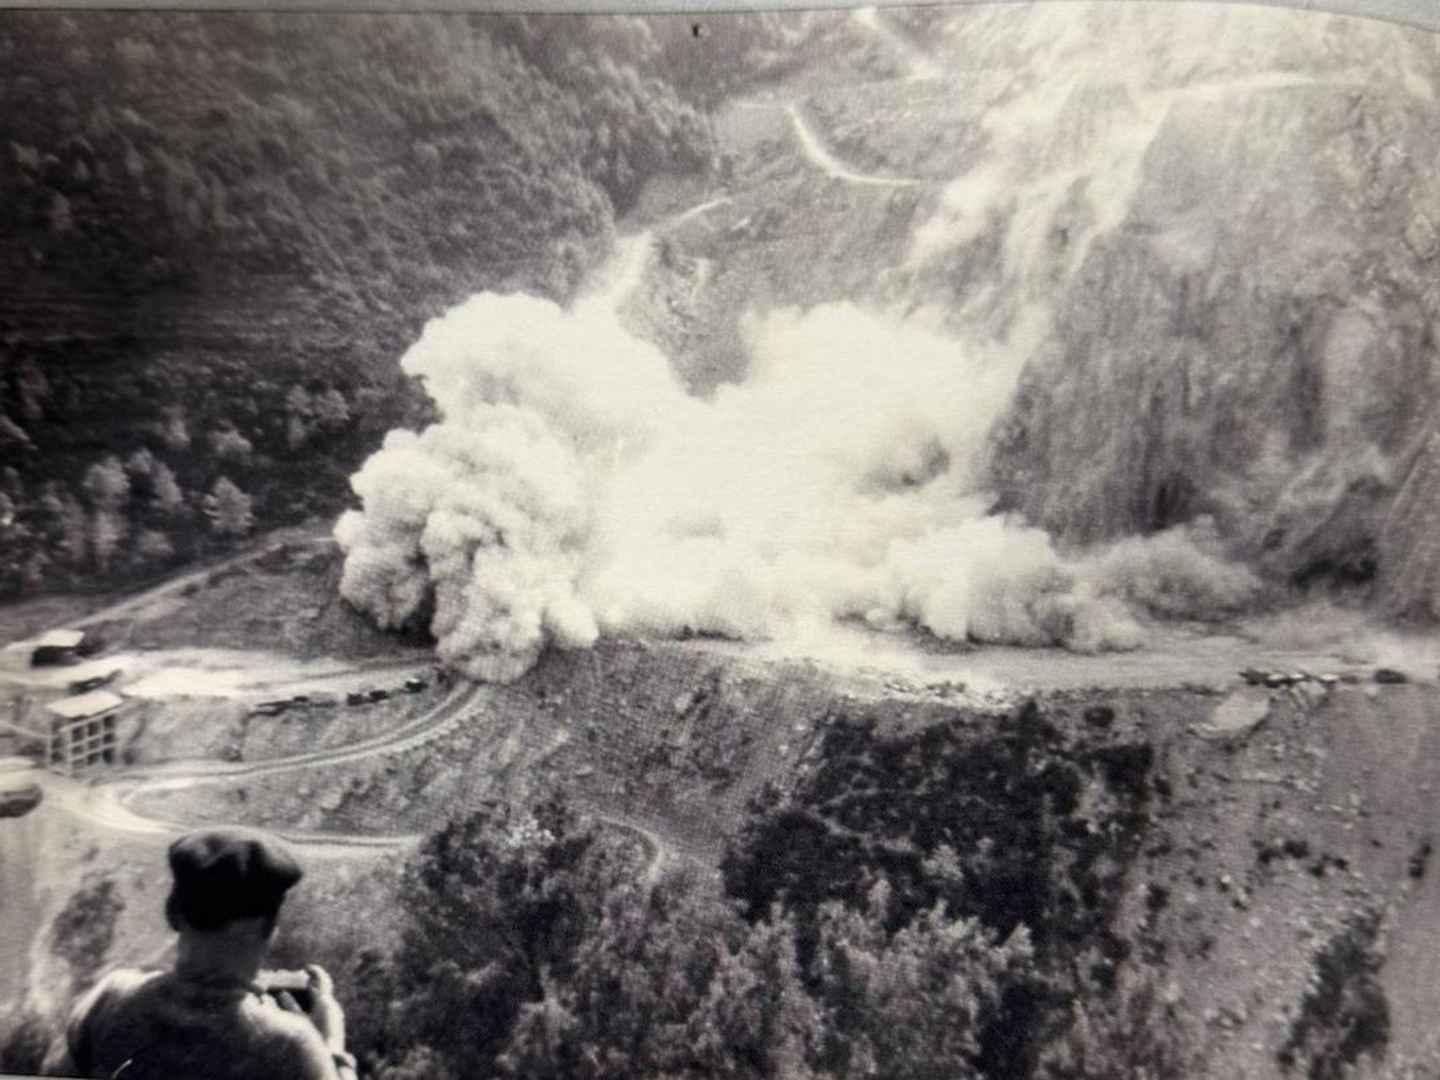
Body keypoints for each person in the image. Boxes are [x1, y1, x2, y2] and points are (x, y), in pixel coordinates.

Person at [42, 828, 357, 1080]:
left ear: (172, 914)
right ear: (270, 930)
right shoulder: (290, 1046)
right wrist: (331, 1046)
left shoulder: (110, 1000)